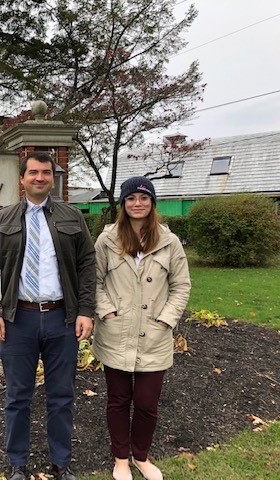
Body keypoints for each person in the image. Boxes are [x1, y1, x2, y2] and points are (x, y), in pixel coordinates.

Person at [0, 151, 96, 480]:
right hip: (19, 320)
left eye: (46, 173)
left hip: (62, 319)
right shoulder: (4, 219)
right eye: (33, 172)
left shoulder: (72, 217)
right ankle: (17, 464)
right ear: (22, 178)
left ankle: (61, 463)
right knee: (18, 396)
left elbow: (87, 264)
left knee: (61, 396)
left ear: (52, 178)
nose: (40, 178)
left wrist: (85, 310)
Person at [92, 176, 191, 480]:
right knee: (119, 400)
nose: (138, 204)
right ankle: (121, 458)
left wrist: (167, 318)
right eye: (131, 198)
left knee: (147, 403)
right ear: (123, 203)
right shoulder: (107, 240)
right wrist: (107, 311)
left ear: (152, 203)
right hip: (116, 333)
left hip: (155, 335)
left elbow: (181, 285)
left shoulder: (169, 242)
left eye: (144, 198)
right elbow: (94, 282)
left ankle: (141, 456)